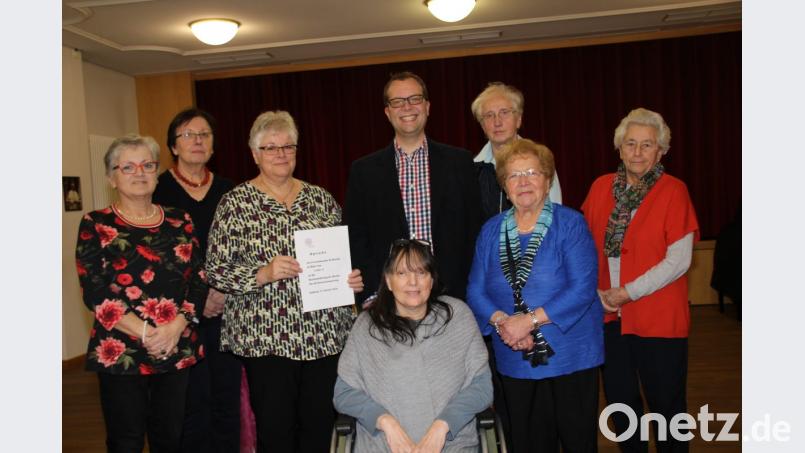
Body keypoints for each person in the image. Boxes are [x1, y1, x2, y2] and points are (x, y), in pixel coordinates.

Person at [205, 110, 364, 453]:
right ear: (255, 154)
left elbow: (344, 253)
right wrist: (261, 274)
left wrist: (350, 278)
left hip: (323, 334)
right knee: (276, 431)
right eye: (271, 147)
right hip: (266, 338)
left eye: (288, 146)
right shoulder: (235, 203)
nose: (281, 154)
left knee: (319, 428)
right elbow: (216, 269)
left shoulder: (321, 198)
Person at [467, 139, 603, 453]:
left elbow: (582, 288)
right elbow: (475, 289)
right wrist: (503, 323)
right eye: (514, 175)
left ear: (548, 180)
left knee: (577, 442)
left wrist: (527, 322)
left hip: (570, 354)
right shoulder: (490, 230)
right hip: (513, 354)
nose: (523, 182)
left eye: (532, 173)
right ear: (504, 185)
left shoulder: (570, 223)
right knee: (526, 442)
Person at [75, 134, 206, 452]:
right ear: (112, 177)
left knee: (170, 438)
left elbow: (199, 279)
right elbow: (94, 291)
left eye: (147, 165)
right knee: (126, 441)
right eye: (128, 167)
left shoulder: (180, 220)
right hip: (121, 350)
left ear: (156, 173)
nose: (139, 173)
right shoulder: (96, 224)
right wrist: (147, 333)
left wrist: (175, 327)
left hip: (175, 344)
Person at [581, 108, 699, 453]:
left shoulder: (674, 191)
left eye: (647, 145)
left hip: (659, 319)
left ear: (661, 151)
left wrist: (627, 292)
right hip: (608, 318)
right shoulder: (600, 187)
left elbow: (678, 261)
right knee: (621, 406)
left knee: (667, 407)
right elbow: (583, 246)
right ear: (619, 148)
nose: (637, 152)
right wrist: (596, 293)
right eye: (630, 143)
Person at [334, 239, 492, 453]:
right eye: (402, 273)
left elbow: (481, 387)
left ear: (431, 280)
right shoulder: (366, 327)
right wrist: (386, 422)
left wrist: (442, 426)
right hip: (383, 447)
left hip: (452, 446)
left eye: (421, 272)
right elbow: (344, 393)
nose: (413, 282)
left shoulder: (458, 317)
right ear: (388, 281)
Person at [344, 71, 481, 307]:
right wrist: (372, 294)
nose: (407, 107)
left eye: (415, 99)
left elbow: (474, 231)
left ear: (427, 106)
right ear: (387, 112)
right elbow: (355, 238)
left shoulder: (460, 162)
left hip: (451, 298)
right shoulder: (363, 171)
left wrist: (470, 291)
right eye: (397, 101)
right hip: (388, 300)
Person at [152, 108, 240, 453]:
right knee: (189, 403)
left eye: (204, 134)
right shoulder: (157, 190)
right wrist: (198, 298)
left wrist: (221, 291)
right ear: (174, 146)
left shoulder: (230, 190)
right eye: (188, 135)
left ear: (214, 145)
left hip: (226, 309)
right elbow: (154, 259)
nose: (198, 141)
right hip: (177, 314)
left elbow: (242, 248)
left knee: (226, 400)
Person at [471, 82, 561, 221]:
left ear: (518, 119)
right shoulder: (472, 169)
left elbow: (556, 214)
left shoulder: (539, 160)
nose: (497, 122)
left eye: (504, 113)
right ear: (482, 126)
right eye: (489, 115)